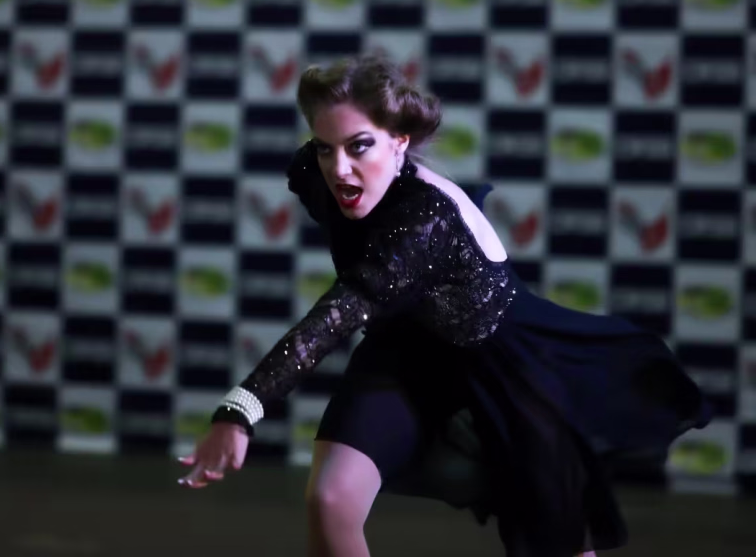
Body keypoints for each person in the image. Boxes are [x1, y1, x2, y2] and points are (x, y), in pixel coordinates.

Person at [177, 53, 712, 557]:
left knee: (558, 540)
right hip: (404, 349)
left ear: (400, 142)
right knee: (332, 498)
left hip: (502, 366)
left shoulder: (423, 223)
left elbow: (334, 317)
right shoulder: (317, 173)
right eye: (324, 147)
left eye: (359, 146)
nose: (338, 168)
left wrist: (239, 411)